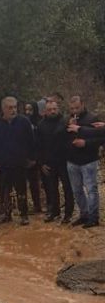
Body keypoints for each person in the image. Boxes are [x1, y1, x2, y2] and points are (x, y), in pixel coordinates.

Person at [0, 96, 35, 224]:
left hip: (19, 163)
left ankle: (24, 215)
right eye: (10, 108)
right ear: (3, 109)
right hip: (2, 164)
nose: (13, 110)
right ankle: (6, 214)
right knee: (4, 191)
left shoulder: (24, 122)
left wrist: (32, 158)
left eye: (15, 107)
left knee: (21, 190)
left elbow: (31, 142)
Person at [65, 94, 103, 228]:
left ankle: (93, 218)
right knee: (77, 190)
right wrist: (68, 127)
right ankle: (84, 214)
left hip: (88, 161)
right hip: (72, 161)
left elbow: (100, 139)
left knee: (91, 189)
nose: (75, 111)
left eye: (77, 108)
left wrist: (85, 143)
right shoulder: (69, 119)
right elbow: (63, 138)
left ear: (83, 105)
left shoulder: (92, 118)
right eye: (72, 108)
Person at [36, 95, 74, 223]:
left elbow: (71, 140)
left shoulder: (66, 121)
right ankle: (54, 211)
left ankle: (68, 214)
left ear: (58, 109)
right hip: (48, 163)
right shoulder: (40, 125)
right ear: (45, 111)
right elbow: (38, 146)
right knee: (51, 189)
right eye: (50, 109)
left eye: (54, 109)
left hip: (64, 161)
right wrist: (41, 163)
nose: (53, 111)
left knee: (67, 188)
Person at [22, 101, 43, 214]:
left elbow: (40, 141)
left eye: (30, 109)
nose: (28, 112)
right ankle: (24, 207)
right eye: (26, 109)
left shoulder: (39, 121)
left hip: (36, 157)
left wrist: (35, 158)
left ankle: (38, 205)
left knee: (35, 184)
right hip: (22, 158)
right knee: (22, 185)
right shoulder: (21, 122)